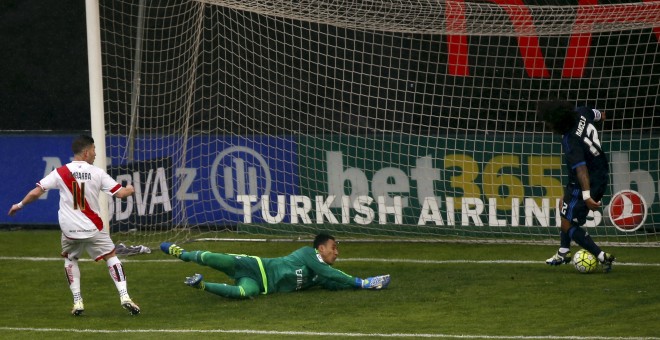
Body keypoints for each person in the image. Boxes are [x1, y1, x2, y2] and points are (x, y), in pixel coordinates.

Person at [7, 135, 141, 315]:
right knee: (111, 255)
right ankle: (124, 296)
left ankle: (78, 302)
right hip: (93, 228)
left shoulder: (60, 172)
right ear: (86, 152)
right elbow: (121, 194)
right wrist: (131, 189)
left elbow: (37, 192)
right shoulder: (97, 173)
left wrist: (19, 205)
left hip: (69, 230)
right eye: (93, 150)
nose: (95, 153)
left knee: (70, 259)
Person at [160, 233, 390, 299]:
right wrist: (362, 282)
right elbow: (329, 272)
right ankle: (183, 254)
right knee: (214, 258)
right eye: (333, 247)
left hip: (262, 286)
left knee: (244, 293)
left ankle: (200, 285)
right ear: (320, 248)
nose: (337, 252)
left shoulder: (320, 277)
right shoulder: (309, 254)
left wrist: (366, 285)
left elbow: (334, 281)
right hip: (255, 265)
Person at [537, 100, 615, 271]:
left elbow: (581, 170)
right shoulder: (582, 112)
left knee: (567, 224)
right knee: (562, 204)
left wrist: (586, 196)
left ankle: (602, 256)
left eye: (549, 123)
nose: (548, 126)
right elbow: (601, 115)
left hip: (584, 183)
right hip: (601, 173)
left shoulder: (570, 140)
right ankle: (563, 252)